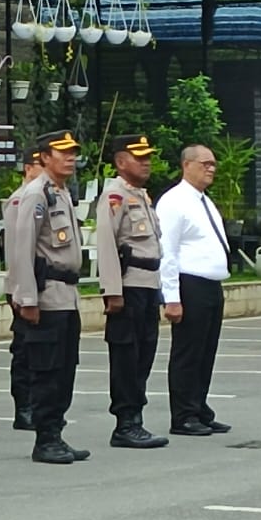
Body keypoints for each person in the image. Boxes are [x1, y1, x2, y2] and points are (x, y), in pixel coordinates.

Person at [6, 130, 90, 465]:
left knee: (65, 368)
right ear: (43, 157)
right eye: (62, 152)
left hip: (66, 295)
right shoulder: (36, 194)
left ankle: (56, 431)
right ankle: (45, 438)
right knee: (47, 369)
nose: (70, 157)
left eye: (72, 152)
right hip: (46, 295)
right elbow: (22, 248)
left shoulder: (61, 192)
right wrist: (26, 298)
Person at [95, 134, 170, 450]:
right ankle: (126, 423)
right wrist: (112, 291)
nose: (146, 161)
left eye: (148, 156)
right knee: (126, 355)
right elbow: (107, 244)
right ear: (120, 162)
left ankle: (135, 417)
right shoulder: (115, 196)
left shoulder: (140, 195)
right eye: (138, 157)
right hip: (128, 287)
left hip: (148, 284)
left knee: (145, 352)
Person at [156, 143, 233, 437]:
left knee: (206, 351)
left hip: (210, 284)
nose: (211, 168)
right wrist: (171, 297)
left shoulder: (202, 200)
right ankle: (184, 414)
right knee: (188, 352)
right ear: (186, 165)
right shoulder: (174, 201)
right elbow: (168, 253)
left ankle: (199, 406)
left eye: (213, 163)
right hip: (190, 284)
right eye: (205, 163)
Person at [6, 145, 44, 431]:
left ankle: (37, 404)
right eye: (38, 165)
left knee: (40, 351)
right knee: (25, 349)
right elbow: (17, 248)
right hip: (21, 282)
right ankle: (24, 406)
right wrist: (20, 289)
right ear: (29, 168)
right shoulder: (21, 199)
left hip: (37, 282)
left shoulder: (48, 195)